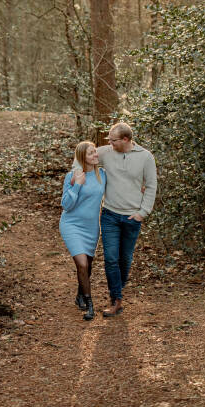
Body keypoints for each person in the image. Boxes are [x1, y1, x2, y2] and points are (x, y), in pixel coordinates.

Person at [72, 122, 157, 317]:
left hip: (132, 217)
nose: (109, 143)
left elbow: (151, 186)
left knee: (125, 259)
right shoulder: (107, 152)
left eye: (113, 140)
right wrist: (77, 177)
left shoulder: (145, 157)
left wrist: (142, 213)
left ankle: (117, 288)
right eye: (108, 139)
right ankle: (116, 299)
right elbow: (80, 158)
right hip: (110, 215)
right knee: (111, 259)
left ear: (125, 139)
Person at [60, 141, 106, 321]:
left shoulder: (103, 175)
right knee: (82, 264)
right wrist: (77, 184)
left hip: (92, 227)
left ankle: (80, 294)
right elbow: (66, 205)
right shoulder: (72, 176)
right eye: (90, 154)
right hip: (71, 224)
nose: (95, 155)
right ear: (82, 158)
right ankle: (90, 304)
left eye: (95, 152)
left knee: (88, 265)